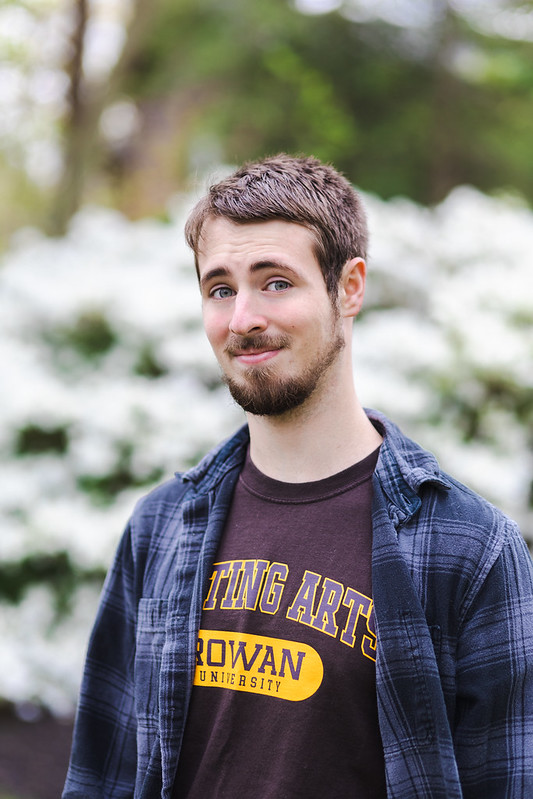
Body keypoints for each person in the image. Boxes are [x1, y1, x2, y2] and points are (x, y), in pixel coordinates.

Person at [63, 154, 533, 799]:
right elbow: (101, 775)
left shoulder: (468, 550)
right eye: (220, 289)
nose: (243, 318)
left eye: (276, 282)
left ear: (349, 288)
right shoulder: (161, 527)